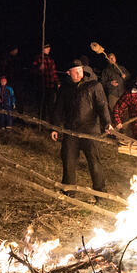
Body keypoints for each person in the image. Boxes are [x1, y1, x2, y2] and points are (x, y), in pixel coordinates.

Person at [51, 60, 113, 199]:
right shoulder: (65, 88)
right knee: (68, 161)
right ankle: (68, 190)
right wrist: (55, 127)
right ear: (69, 72)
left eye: (80, 70)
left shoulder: (93, 86)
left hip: (90, 131)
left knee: (94, 162)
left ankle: (100, 193)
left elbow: (102, 106)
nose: (79, 73)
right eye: (75, 71)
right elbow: (58, 109)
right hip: (71, 131)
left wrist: (107, 123)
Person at [32, 42, 59, 118]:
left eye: (49, 48)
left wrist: (57, 82)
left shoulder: (51, 59)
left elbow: (53, 72)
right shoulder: (38, 58)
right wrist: (39, 69)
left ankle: (50, 124)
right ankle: (41, 122)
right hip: (41, 85)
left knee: (50, 105)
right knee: (41, 105)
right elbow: (33, 71)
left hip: (50, 85)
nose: (49, 49)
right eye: (47, 48)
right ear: (43, 49)